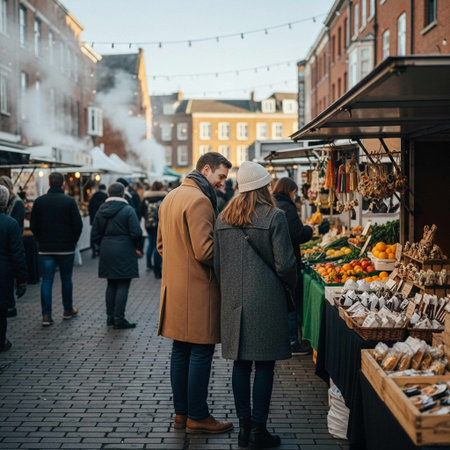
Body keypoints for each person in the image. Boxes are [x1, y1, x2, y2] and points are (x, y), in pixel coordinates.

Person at [214, 162, 297, 449]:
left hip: (233, 300)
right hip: (265, 299)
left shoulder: (223, 217)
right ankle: (259, 431)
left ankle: (243, 428)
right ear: (264, 186)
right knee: (264, 365)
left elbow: (217, 264)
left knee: (240, 364)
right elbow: (285, 264)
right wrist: (291, 286)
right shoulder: (274, 216)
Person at [157, 152, 233, 434]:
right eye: (220, 177)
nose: (222, 183)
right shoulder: (200, 200)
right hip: (198, 290)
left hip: (174, 288)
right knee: (201, 351)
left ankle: (182, 414)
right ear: (205, 169)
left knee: (180, 351)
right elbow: (205, 251)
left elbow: (162, 246)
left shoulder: (171, 196)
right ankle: (198, 416)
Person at [30, 172, 82, 326]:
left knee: (46, 281)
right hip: (66, 247)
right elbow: (78, 224)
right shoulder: (69, 201)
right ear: (63, 184)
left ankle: (46, 315)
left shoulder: (39, 202)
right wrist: (73, 240)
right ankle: (67, 309)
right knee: (66, 279)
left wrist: (40, 239)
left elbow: (33, 225)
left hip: (45, 248)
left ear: (49, 183)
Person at [91, 182, 142, 329]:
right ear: (122, 194)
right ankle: (119, 318)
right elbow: (137, 233)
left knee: (111, 283)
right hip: (125, 249)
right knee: (123, 284)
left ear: (108, 194)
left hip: (106, 249)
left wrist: (103, 245)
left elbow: (94, 234)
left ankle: (110, 317)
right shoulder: (128, 210)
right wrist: (133, 245)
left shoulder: (101, 210)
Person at [272, 177, 313, 356]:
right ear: (289, 190)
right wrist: (310, 230)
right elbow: (297, 234)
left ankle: (284, 339)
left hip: (275, 259)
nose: (295, 196)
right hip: (288, 259)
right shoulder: (287, 207)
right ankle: (292, 341)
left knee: (283, 301)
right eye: (294, 192)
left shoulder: (273, 204)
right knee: (290, 301)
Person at [0, 186, 27, 352]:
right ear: (6, 201)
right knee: (1, 312)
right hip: (3, 274)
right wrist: (22, 279)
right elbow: (17, 254)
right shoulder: (10, 224)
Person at [141, 181, 166, 278]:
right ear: (160, 188)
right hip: (160, 224)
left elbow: (141, 210)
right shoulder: (164, 197)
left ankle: (148, 264)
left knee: (151, 243)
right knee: (158, 246)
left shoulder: (146, 198)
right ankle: (157, 269)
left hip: (149, 224)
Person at [88, 184, 108, 258]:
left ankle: (94, 250)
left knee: (94, 234)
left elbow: (90, 208)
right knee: (102, 234)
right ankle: (100, 250)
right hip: (103, 219)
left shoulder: (94, 196)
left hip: (94, 219)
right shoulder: (105, 197)